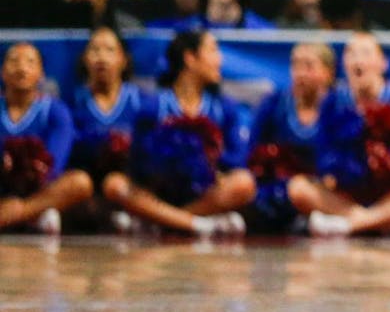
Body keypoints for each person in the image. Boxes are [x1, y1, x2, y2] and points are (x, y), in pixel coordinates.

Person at [288, 33, 390, 237]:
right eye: (351, 54)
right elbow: (322, 156)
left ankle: (353, 223)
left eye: (365, 53)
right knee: (298, 188)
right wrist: (347, 165)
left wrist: (388, 159)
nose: (358, 60)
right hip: (347, 189)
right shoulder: (333, 101)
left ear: (382, 63)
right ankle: (381, 220)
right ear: (344, 64)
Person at [104, 31, 254, 237]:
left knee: (244, 183)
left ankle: (164, 222)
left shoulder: (223, 108)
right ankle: (196, 224)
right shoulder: (154, 107)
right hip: (159, 191)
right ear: (190, 58)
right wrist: (165, 162)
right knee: (114, 184)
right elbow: (136, 162)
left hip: (204, 192)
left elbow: (238, 158)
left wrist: (204, 161)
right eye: (212, 50)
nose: (220, 59)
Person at [0, 43, 93, 233]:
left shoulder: (55, 110)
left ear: (41, 74)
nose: (21, 68)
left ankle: (23, 213)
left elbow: (54, 164)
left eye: (30, 62)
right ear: (2, 72)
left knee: (80, 182)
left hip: (41, 190)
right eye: (14, 61)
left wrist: (31, 172)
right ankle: (33, 217)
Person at [247, 43, 336, 233]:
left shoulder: (341, 108)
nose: (300, 73)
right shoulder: (274, 104)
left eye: (309, 66)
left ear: (328, 73)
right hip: (281, 191)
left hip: (325, 190)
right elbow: (251, 152)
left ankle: (350, 219)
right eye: (295, 65)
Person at [66, 27, 144, 229]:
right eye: (94, 50)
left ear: (123, 59)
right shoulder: (72, 101)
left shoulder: (140, 101)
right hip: (88, 185)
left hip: (129, 182)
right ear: (84, 59)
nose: (101, 57)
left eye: (109, 50)